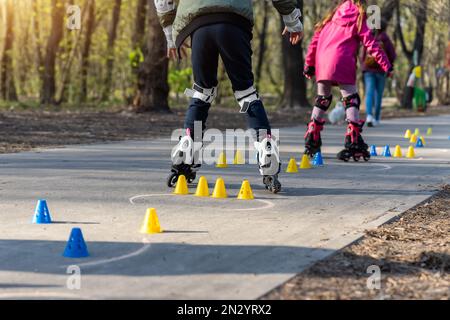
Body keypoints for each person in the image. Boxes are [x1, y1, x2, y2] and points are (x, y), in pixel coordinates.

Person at [154, 0, 304, 193]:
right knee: (246, 92)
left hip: (199, 24)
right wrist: (292, 19)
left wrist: (169, 32)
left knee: (202, 91)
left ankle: (187, 146)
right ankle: (266, 148)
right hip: (234, 21)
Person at [303, 0, 393, 162]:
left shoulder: (330, 18)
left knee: (322, 99)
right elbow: (370, 43)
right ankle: (353, 140)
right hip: (342, 60)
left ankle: (312, 135)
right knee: (351, 99)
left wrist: (309, 64)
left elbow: (315, 41)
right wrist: (386, 65)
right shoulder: (359, 18)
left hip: (322, 61)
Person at [361, 25, 397, 127]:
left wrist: (363, 66)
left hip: (368, 70)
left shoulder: (368, 36)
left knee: (369, 93)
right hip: (381, 69)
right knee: (378, 94)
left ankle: (369, 116)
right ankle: (376, 118)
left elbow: (363, 54)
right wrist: (390, 66)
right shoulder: (385, 38)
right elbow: (393, 54)